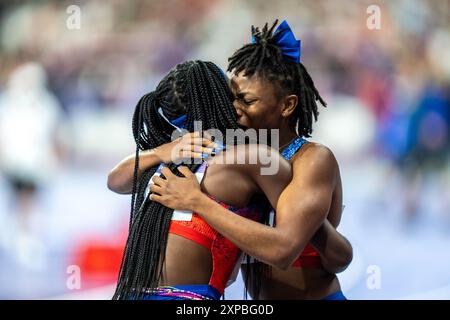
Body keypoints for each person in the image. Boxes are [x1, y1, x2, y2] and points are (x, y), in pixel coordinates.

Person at [150, 20, 352, 300]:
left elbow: (323, 256)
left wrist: (196, 201)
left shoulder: (312, 159)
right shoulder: (236, 156)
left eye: (246, 100)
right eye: (232, 98)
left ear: (287, 105)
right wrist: (158, 153)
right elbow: (119, 181)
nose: (234, 109)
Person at [111, 60, 294, 300]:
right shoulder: (252, 157)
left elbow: (115, 181)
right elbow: (288, 247)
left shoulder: (172, 158)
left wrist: (160, 152)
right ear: (222, 97)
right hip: (186, 298)